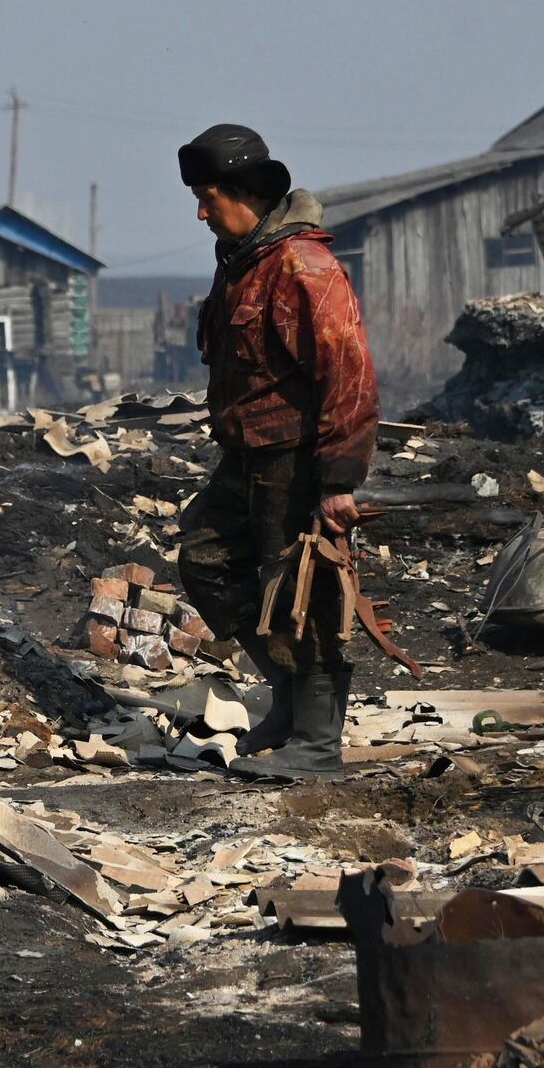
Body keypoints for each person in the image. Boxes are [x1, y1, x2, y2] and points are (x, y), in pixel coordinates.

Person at [173, 124, 378, 781]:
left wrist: (338, 479)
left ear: (246, 194)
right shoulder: (241, 260)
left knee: (305, 592)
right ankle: (290, 705)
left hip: (298, 459)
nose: (200, 211)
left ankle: (318, 745)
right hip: (247, 456)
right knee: (206, 559)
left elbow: (348, 374)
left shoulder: (302, 267)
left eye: (209, 197)